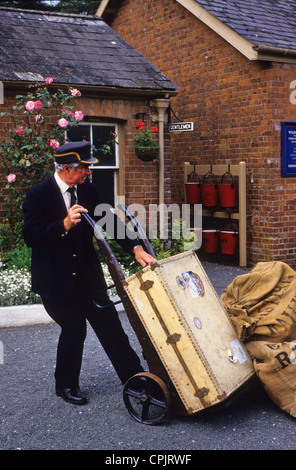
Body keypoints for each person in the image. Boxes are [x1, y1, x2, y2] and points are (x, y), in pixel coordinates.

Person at [22, 141, 156, 405]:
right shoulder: (38, 195)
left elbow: (110, 221)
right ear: (67, 169)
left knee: (111, 327)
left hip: (88, 277)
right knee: (74, 330)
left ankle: (136, 380)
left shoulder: (88, 190)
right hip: (56, 281)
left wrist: (136, 249)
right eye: (84, 168)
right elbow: (31, 236)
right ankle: (66, 386)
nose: (88, 173)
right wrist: (63, 224)